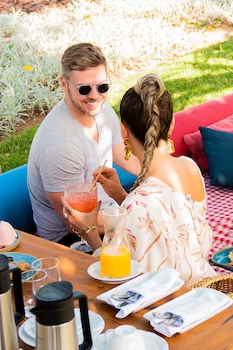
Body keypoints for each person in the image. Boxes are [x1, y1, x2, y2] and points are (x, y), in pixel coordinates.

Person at [64, 74, 214, 286]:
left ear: (123, 130)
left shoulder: (137, 206)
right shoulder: (190, 167)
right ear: (171, 124)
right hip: (207, 288)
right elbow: (162, 221)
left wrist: (88, 231)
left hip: (173, 301)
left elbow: (120, 278)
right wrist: (121, 196)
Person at [27, 42, 140, 244]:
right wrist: (141, 216)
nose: (95, 96)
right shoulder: (61, 146)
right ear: (63, 84)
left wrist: (164, 178)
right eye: (84, 89)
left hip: (106, 218)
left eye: (102, 87)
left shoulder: (103, 113)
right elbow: (78, 222)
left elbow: (130, 160)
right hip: (71, 240)